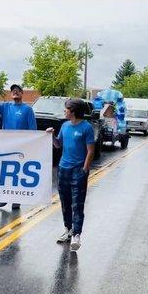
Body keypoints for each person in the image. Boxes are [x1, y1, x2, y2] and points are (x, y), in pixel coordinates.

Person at [46, 98, 95, 252]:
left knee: (77, 204)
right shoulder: (64, 125)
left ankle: (77, 234)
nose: (64, 111)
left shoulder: (87, 128)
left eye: (66, 109)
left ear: (73, 111)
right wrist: (52, 136)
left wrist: (85, 169)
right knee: (65, 203)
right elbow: (58, 145)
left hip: (78, 171)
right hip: (63, 169)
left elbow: (91, 151)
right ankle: (68, 230)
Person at [0, 82, 37, 210]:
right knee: (5, 172)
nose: (15, 91)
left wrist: (30, 145)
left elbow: (32, 128)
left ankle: (16, 199)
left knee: (17, 173)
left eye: (18, 90)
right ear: (11, 93)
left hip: (21, 147)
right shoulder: (6, 106)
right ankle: (4, 197)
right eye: (13, 90)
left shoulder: (27, 109)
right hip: (7, 146)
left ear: (22, 93)